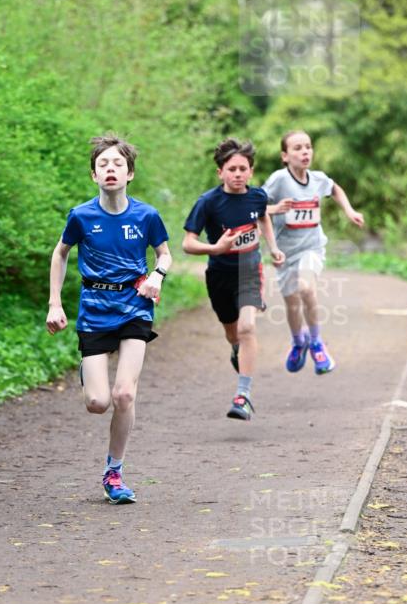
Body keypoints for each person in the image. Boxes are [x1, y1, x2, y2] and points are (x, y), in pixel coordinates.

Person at [46, 134, 172, 504]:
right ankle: (90, 373)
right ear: (94, 175)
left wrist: (156, 277)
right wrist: (55, 303)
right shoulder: (82, 215)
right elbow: (60, 254)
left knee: (124, 393)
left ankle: (114, 472)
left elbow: (165, 255)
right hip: (94, 311)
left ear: (130, 173)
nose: (111, 169)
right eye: (104, 165)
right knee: (97, 403)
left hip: (134, 307)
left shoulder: (146, 215)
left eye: (118, 164)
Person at [183, 138, 285, 421]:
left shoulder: (258, 196)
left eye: (243, 168)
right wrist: (215, 248)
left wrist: (273, 247)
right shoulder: (208, 202)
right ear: (221, 172)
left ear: (251, 171)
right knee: (233, 334)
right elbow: (187, 243)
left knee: (247, 327)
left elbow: (263, 217)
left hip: (249, 270)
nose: (238, 174)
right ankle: (238, 351)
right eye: (232, 169)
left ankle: (243, 396)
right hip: (219, 275)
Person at [264, 129, 364, 374]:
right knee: (291, 303)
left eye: (308, 146)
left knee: (306, 288)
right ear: (285, 156)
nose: (304, 152)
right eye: (297, 148)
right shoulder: (279, 180)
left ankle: (317, 342)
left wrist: (349, 211)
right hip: (285, 253)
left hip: (312, 247)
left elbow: (336, 189)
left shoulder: (319, 179)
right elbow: (257, 208)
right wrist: (275, 209)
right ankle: (299, 341)